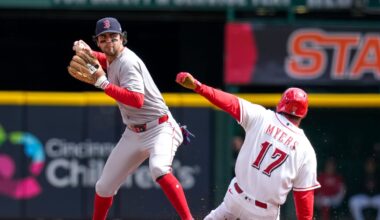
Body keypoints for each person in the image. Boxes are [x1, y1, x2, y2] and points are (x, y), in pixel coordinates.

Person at [72, 17, 193, 220]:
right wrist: (85, 52)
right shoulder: (113, 58)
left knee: (158, 169)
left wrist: (103, 83)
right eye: (103, 38)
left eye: (113, 36)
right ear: (98, 41)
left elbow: (136, 100)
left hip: (160, 128)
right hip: (134, 133)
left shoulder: (128, 62)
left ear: (122, 38)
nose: (109, 41)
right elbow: (105, 60)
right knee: (103, 186)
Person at [175, 72, 321, 220]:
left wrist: (198, 87)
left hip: (235, 199)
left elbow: (228, 102)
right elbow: (304, 198)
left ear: (281, 104)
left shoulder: (262, 116)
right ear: (303, 114)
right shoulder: (306, 149)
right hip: (264, 213)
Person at [349, 156, 380, 220]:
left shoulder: (378, 174)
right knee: (353, 201)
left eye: (372, 164)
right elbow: (356, 189)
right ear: (365, 165)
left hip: (376, 197)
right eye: (368, 164)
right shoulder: (361, 174)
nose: (370, 166)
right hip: (364, 197)